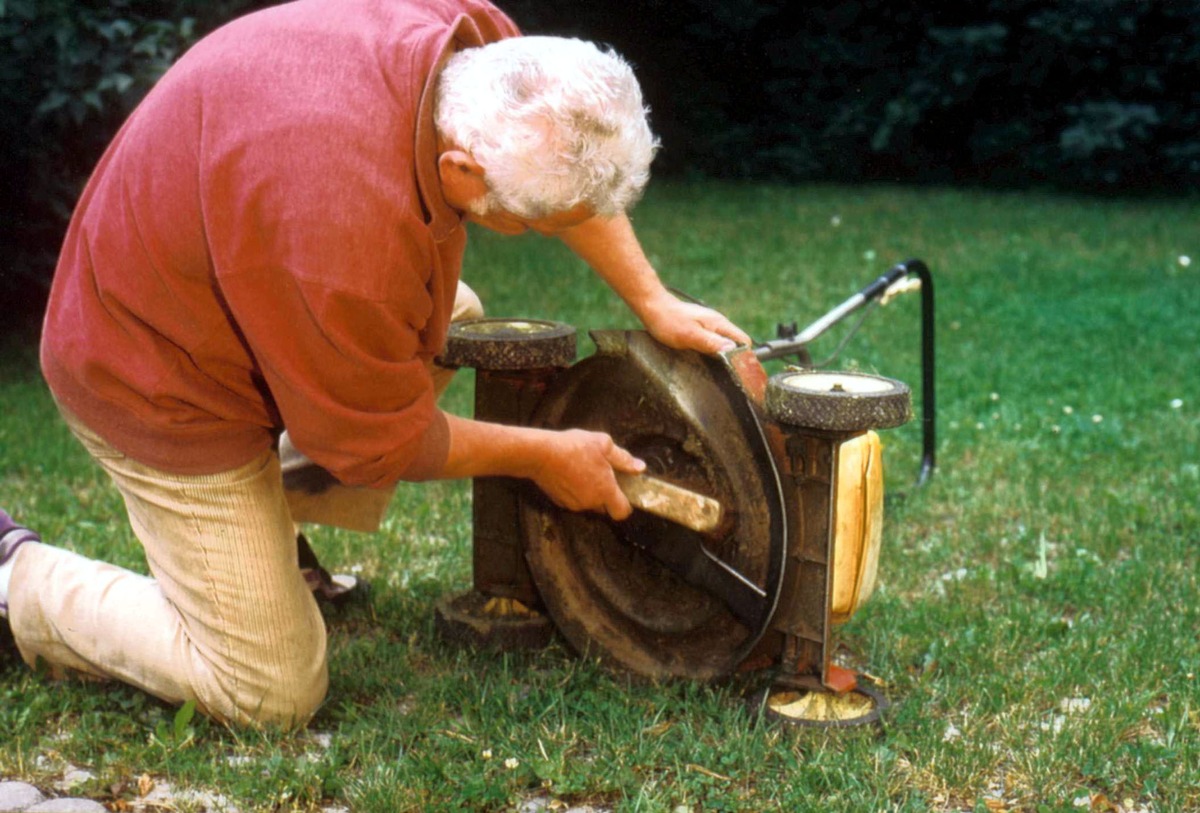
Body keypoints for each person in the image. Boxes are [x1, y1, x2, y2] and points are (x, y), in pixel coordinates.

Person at [0, 0, 749, 727]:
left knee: (450, 308)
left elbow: (568, 182)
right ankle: (17, 578)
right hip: (151, 366)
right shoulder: (342, 229)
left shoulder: (476, 53)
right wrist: (544, 456)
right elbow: (373, 445)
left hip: (228, 282)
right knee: (270, 688)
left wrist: (653, 299)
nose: (528, 231)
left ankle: (261, 525)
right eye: (525, 223)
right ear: (460, 170)